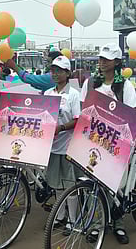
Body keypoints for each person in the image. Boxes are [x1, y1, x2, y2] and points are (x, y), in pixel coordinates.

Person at [80, 43, 136, 245]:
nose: (101, 62)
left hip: (117, 144)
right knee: (95, 184)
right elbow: (83, 110)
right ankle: (98, 224)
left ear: (116, 62)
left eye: (106, 59)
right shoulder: (90, 84)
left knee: (115, 185)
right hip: (94, 141)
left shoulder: (125, 86)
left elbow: (135, 112)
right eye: (100, 58)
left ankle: (118, 224)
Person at [43, 56, 82, 232]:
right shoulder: (48, 93)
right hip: (51, 146)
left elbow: (78, 119)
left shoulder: (73, 94)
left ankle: (73, 220)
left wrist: (62, 127)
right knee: (56, 183)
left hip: (67, 146)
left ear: (67, 73)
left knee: (69, 185)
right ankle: (60, 216)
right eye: (53, 70)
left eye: (59, 70)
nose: (55, 74)